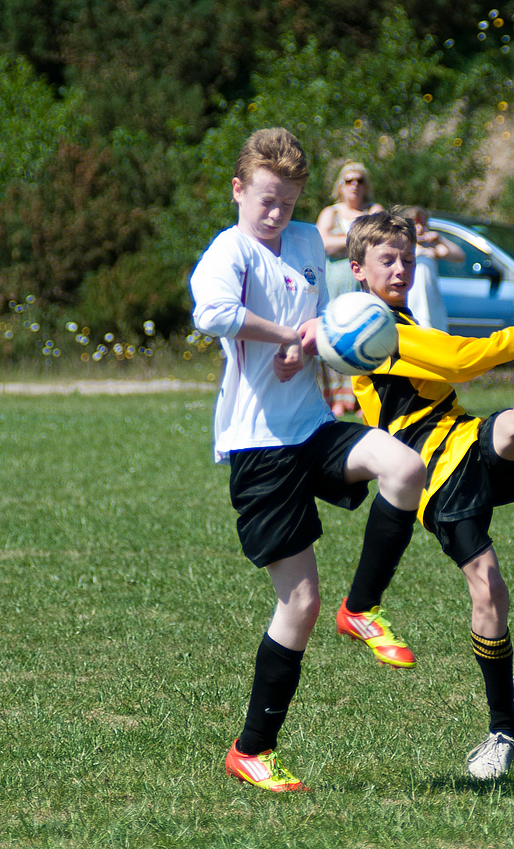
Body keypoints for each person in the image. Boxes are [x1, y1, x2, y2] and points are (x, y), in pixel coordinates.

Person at [342, 210, 514, 780]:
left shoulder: (393, 315)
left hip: (460, 435)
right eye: (388, 260)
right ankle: (503, 729)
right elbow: (458, 360)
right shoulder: (371, 328)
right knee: (489, 588)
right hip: (429, 471)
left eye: (408, 259)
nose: (401, 269)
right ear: (358, 270)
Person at [190, 129, 426, 793]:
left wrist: (315, 342)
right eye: (266, 200)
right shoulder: (230, 250)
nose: (276, 215)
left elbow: (321, 319)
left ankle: (365, 607)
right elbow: (212, 313)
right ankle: (252, 749)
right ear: (239, 190)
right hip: (258, 448)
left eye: (288, 204)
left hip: (313, 425)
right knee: (298, 605)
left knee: (405, 467)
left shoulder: (301, 244)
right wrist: (285, 334)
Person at [316, 162, 385, 416]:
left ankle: (362, 399)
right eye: (348, 180)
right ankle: (337, 398)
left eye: (360, 180)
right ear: (340, 185)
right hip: (333, 286)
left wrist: (341, 243)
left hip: (364, 287)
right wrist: (357, 240)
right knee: (334, 339)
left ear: (367, 185)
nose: (354, 185)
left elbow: (379, 238)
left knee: (365, 336)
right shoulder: (330, 213)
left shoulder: (374, 210)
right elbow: (322, 242)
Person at [403, 205, 465, 332]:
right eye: (415, 224)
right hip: (411, 302)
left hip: (432, 302)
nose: (420, 228)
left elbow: (459, 256)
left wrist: (439, 239)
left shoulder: (432, 247)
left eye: (422, 224)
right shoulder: (403, 246)